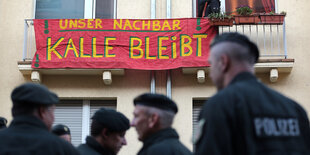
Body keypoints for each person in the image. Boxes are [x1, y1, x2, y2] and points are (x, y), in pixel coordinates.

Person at [194, 32, 310, 154]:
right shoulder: (295, 110)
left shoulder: (219, 106)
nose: (210, 73)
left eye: (211, 64)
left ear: (223, 62)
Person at [0, 83, 79, 154]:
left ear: (13, 110)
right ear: (42, 111)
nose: (53, 117)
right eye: (52, 111)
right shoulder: (63, 149)